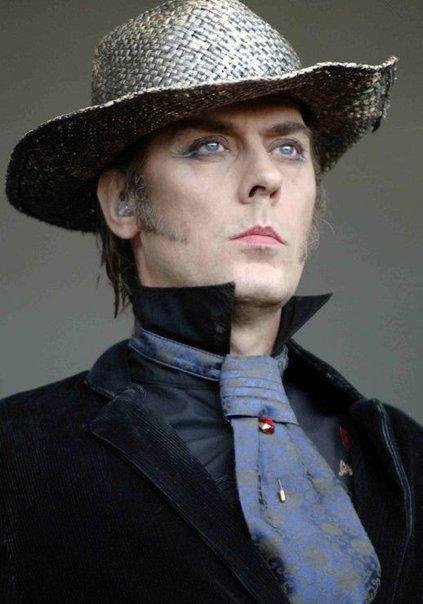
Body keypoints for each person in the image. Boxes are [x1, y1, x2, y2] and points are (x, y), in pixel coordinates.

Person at [1, 0, 421, 602]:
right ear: (122, 201)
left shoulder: (403, 453)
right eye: (208, 145)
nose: (266, 178)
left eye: (288, 148)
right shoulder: (19, 456)